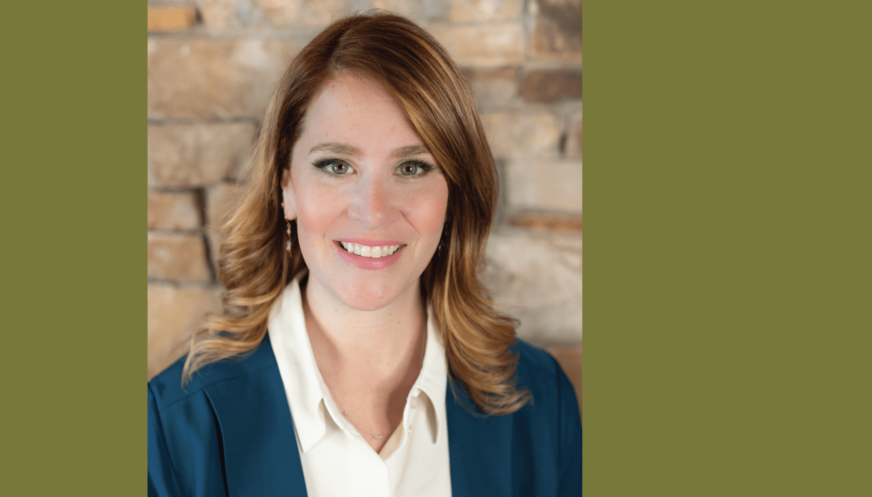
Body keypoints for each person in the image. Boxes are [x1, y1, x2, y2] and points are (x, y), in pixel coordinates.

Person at [148, 12, 581, 497]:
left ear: (454, 195)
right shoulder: (172, 432)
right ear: (284, 185)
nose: (373, 212)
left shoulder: (543, 405)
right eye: (337, 165)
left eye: (413, 167)